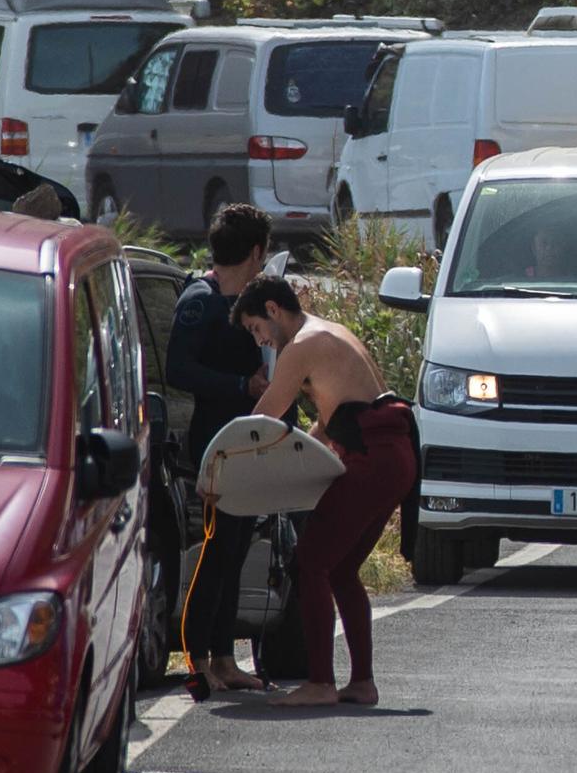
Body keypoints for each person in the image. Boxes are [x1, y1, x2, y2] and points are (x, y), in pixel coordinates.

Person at [234, 275, 417, 707]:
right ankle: (362, 682)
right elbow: (328, 420)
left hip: (374, 458)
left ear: (274, 311)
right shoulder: (331, 331)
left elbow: (266, 417)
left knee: (310, 562)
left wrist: (231, 463)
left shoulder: (301, 345)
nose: (261, 340)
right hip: (393, 457)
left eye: (256, 329)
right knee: (338, 569)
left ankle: (320, 682)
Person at [167, 203, 274, 692]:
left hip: (250, 445)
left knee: (235, 550)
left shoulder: (250, 302)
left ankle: (226, 657)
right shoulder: (201, 299)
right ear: (255, 252)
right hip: (215, 446)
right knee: (215, 550)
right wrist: (237, 386)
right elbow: (179, 371)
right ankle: (197, 659)